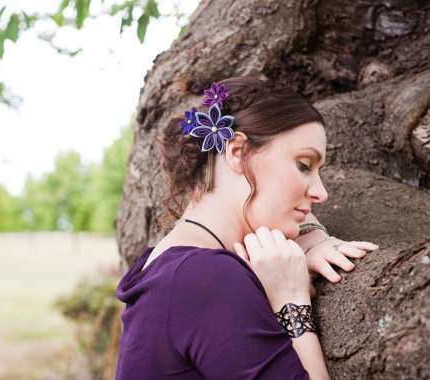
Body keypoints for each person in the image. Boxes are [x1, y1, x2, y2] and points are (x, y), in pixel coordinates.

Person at [115, 77, 378, 379]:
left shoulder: (168, 261)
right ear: (237, 152)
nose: (321, 193)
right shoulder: (204, 276)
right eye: (304, 165)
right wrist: (290, 300)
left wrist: (314, 240)